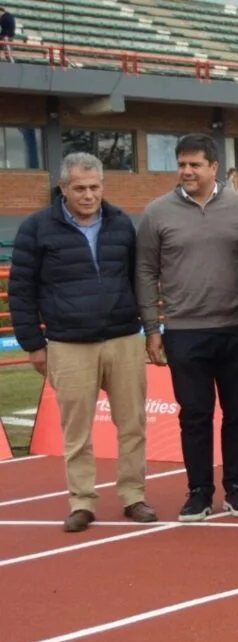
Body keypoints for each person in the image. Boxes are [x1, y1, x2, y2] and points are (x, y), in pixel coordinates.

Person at [9, 152, 156, 532]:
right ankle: (82, 501)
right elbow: (21, 290)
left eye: (94, 187)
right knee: (76, 431)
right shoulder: (36, 228)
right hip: (68, 343)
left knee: (133, 424)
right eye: (80, 188)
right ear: (63, 188)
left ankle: (133, 496)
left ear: (102, 186)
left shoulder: (123, 224)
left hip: (123, 338)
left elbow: (138, 281)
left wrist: (150, 329)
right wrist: (33, 344)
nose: (88, 195)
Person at [136, 134, 238, 521]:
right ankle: (199, 492)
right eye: (181, 164)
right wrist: (152, 328)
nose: (186, 171)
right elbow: (144, 270)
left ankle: (237, 489)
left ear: (214, 167)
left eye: (194, 164)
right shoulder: (157, 212)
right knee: (194, 415)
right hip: (184, 331)